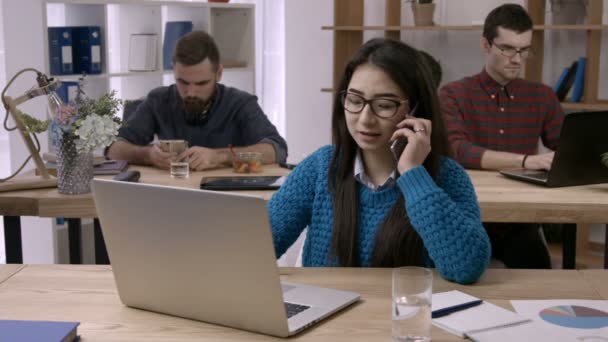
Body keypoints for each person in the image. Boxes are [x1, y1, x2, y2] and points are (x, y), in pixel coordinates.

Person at [268, 38, 491, 285]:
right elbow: (258, 248)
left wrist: (413, 174)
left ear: (416, 109)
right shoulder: (320, 168)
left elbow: (467, 268)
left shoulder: (447, 176)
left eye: (383, 105)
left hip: (403, 318)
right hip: (328, 321)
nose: (365, 119)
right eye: (354, 100)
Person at [439, 4, 565, 269]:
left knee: (540, 277)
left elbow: (567, 150)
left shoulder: (542, 96)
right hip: (466, 217)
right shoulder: (453, 94)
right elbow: (459, 151)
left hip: (518, 220)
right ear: (486, 45)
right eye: (507, 49)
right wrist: (526, 161)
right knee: (460, 277)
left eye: (524, 49)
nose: (517, 59)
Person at [107, 31, 287, 170]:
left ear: (218, 74)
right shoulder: (158, 100)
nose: (190, 92)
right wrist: (147, 155)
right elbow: (114, 149)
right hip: (172, 197)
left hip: (227, 200)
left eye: (201, 83)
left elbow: (276, 150)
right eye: (182, 82)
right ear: (174, 72)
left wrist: (220, 157)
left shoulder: (240, 103)